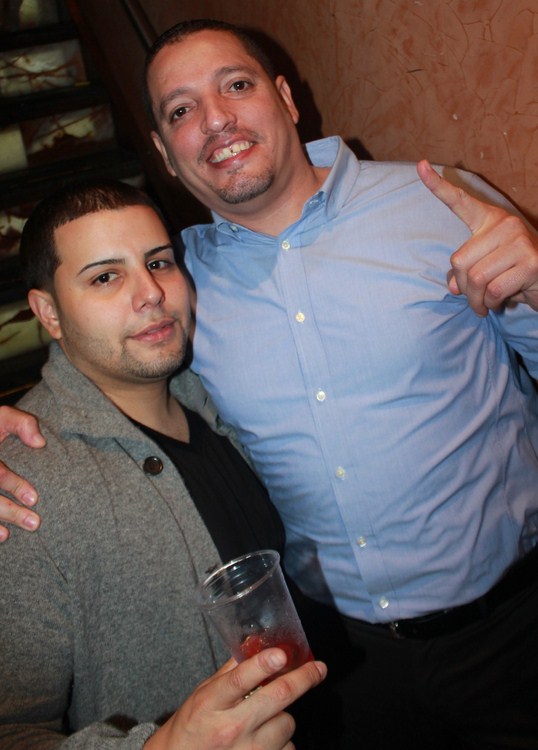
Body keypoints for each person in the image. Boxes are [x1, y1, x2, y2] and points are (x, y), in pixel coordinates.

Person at [1, 17, 538, 749]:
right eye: (181, 110)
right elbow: (105, 367)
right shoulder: (178, 282)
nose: (215, 119)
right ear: (163, 151)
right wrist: (22, 426)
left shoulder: (440, 204)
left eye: (236, 85)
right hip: (339, 666)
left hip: (512, 632)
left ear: (285, 96)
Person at [0, 179, 328, 749]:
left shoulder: (217, 399)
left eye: (158, 263)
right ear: (48, 312)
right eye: (105, 277)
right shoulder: (27, 489)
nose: (150, 293)